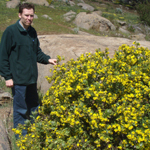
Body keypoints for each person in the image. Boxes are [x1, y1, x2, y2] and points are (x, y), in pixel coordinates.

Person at [0, 3, 57, 137]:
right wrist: (7, 77)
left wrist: (48, 59)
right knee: (20, 110)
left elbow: (37, 52)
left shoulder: (32, 31)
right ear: (20, 15)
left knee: (34, 108)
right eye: (26, 15)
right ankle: (21, 139)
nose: (29, 18)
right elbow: (2, 56)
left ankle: (34, 135)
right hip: (18, 80)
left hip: (31, 79)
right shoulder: (11, 31)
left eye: (31, 15)